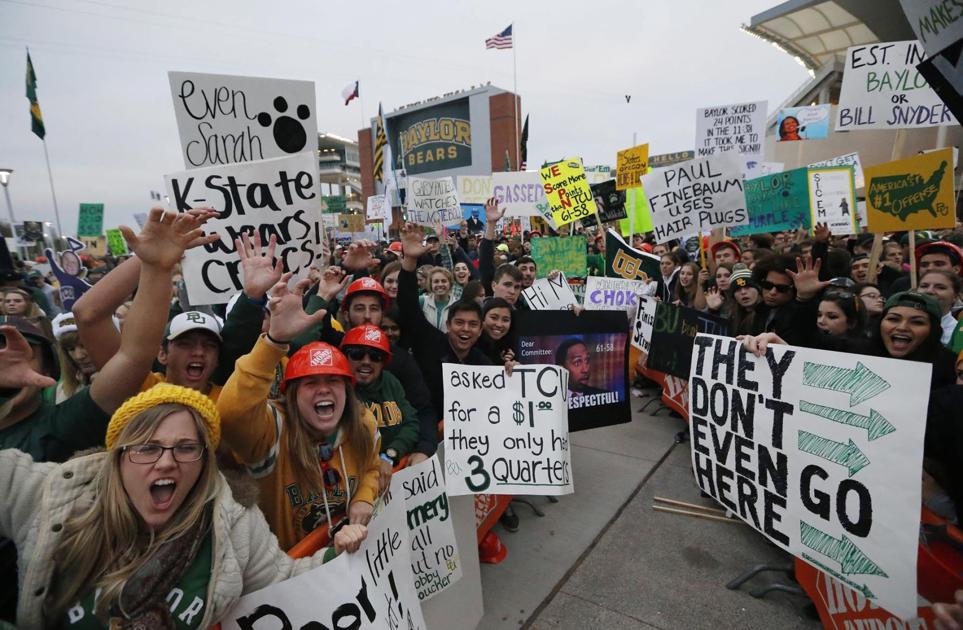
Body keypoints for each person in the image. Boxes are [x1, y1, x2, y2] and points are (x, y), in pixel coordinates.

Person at [0, 383, 366, 629]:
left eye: (186, 448)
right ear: (120, 457)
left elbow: (284, 582)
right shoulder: (55, 493)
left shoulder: (234, 520)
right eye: (147, 447)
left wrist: (344, 553)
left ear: (204, 461)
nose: (166, 462)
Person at [216, 275, 381, 550]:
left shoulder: (362, 423)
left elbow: (371, 466)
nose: (324, 390)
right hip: (287, 578)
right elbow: (232, 414)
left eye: (333, 381)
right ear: (291, 394)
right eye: (311, 383)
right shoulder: (273, 431)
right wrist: (274, 341)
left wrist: (364, 496)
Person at [74, 226, 273, 401]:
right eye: (185, 344)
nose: (198, 352)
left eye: (209, 345)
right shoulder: (140, 392)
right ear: (162, 354)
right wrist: (152, 259)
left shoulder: (231, 403)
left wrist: (253, 297)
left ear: (218, 357)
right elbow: (88, 315)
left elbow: (239, 336)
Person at [396, 222, 492, 417]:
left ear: (481, 329)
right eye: (459, 323)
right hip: (431, 427)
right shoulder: (430, 344)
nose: (465, 329)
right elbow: (408, 305)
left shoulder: (485, 362)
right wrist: (410, 261)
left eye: (473, 324)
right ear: (448, 324)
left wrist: (513, 372)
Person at [341, 325, 419, 493]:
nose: (366, 361)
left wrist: (390, 455)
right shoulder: (339, 390)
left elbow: (411, 423)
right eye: (357, 354)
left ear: (383, 362)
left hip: (396, 477)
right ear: (345, 357)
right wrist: (376, 465)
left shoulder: (391, 382)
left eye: (375, 356)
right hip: (357, 486)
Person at [50, 312, 97, 403]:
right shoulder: (61, 390)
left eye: (84, 346)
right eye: (70, 349)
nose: (78, 356)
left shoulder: (127, 381)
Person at [918, 269, 962, 345]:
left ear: (955, 297)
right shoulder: (900, 327)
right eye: (924, 286)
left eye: (940, 287)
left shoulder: (958, 335)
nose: (929, 291)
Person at [420, 266, 455, 332]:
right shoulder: (422, 301)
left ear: (450, 284)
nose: (440, 284)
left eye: (444, 281)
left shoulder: (457, 304)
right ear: (431, 284)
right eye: (436, 281)